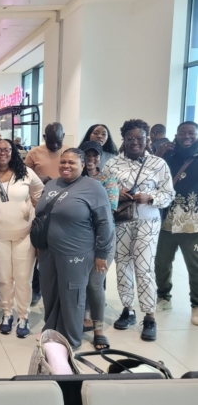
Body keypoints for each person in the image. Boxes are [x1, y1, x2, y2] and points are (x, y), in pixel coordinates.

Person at [103, 119, 175, 341]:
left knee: (144, 268)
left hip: (148, 222)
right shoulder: (112, 164)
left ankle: (149, 316)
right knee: (123, 265)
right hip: (121, 221)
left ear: (147, 139)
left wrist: (150, 197)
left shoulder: (158, 164)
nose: (135, 142)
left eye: (140, 138)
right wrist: (116, 192)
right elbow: (102, 190)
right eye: (130, 138)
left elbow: (169, 194)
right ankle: (128, 310)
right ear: (123, 139)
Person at [36, 148, 114, 349]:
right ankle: (51, 331)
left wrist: (102, 253)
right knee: (50, 293)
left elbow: (105, 223)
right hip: (48, 251)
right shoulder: (52, 184)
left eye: (72, 162)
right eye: (63, 162)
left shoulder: (93, 188)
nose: (66, 166)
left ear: (82, 165)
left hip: (76, 252)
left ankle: (70, 340)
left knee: (72, 297)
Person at [0, 139, 43, 338]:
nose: (3, 153)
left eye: (7, 149)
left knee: (23, 279)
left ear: (13, 152)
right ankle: (7, 313)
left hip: (24, 234)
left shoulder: (25, 172)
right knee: (4, 278)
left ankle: (23, 316)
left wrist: (33, 208)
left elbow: (39, 190)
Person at [154, 121, 198, 326]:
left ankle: (196, 305)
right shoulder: (168, 156)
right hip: (166, 220)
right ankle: (163, 296)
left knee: (195, 266)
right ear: (176, 134)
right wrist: (159, 155)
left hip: (193, 221)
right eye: (182, 133)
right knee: (161, 262)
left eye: (191, 133)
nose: (186, 136)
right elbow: (153, 177)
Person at [79, 141, 119, 350]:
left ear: (100, 157)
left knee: (95, 284)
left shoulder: (107, 180)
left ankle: (98, 330)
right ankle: (82, 318)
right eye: (87, 155)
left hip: (102, 240)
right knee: (80, 282)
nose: (91, 159)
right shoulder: (75, 180)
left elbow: (108, 213)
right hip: (78, 240)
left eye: (95, 155)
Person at [25, 122, 70, 305]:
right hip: (40, 209)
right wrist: (38, 178)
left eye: (58, 141)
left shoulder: (69, 152)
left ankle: (58, 288)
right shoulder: (34, 153)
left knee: (59, 250)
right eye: (51, 142)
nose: (55, 145)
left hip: (65, 209)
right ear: (44, 138)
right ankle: (36, 288)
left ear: (63, 137)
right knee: (37, 250)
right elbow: (23, 175)